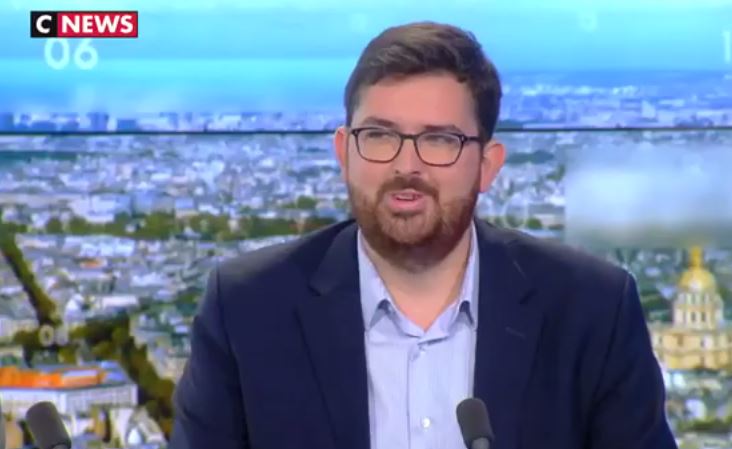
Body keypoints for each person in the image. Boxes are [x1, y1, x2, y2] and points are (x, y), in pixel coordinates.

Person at [170, 21, 677, 449]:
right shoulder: (247, 309)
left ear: (487, 165)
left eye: (439, 139)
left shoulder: (592, 311)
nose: (406, 165)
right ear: (344, 152)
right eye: (379, 136)